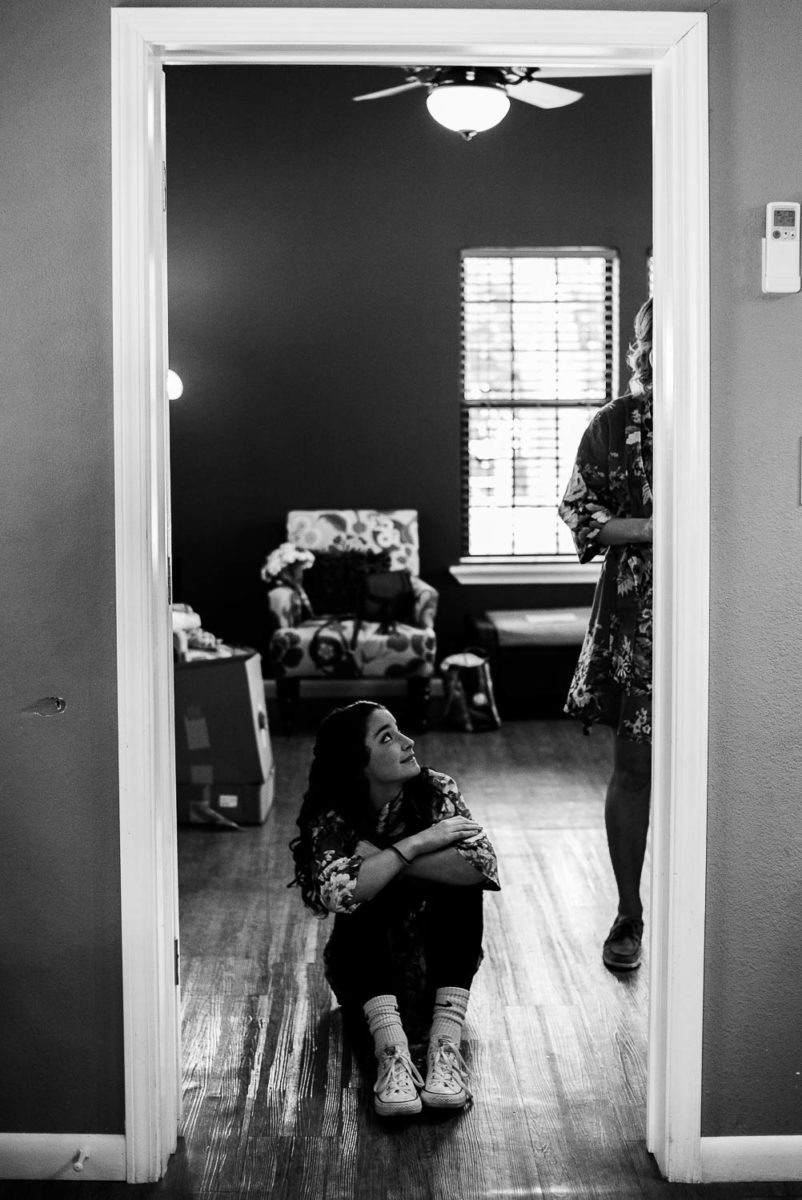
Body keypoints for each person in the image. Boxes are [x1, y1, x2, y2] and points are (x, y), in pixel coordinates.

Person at [289, 700, 500, 1117]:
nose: (408, 742)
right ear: (358, 762)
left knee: (455, 888)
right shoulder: (333, 812)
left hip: (437, 971)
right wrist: (420, 843)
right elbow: (340, 893)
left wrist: (385, 861)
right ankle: (392, 1055)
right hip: (369, 981)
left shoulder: (436, 788)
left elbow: (480, 866)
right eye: (387, 737)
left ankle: (445, 1047)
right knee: (367, 891)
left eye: (399, 730)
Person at [558, 297, 653, 972]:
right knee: (635, 769)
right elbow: (579, 511)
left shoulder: (728, 414)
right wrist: (653, 528)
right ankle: (629, 910)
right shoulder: (614, 425)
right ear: (646, 343)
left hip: (721, 610)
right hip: (634, 618)